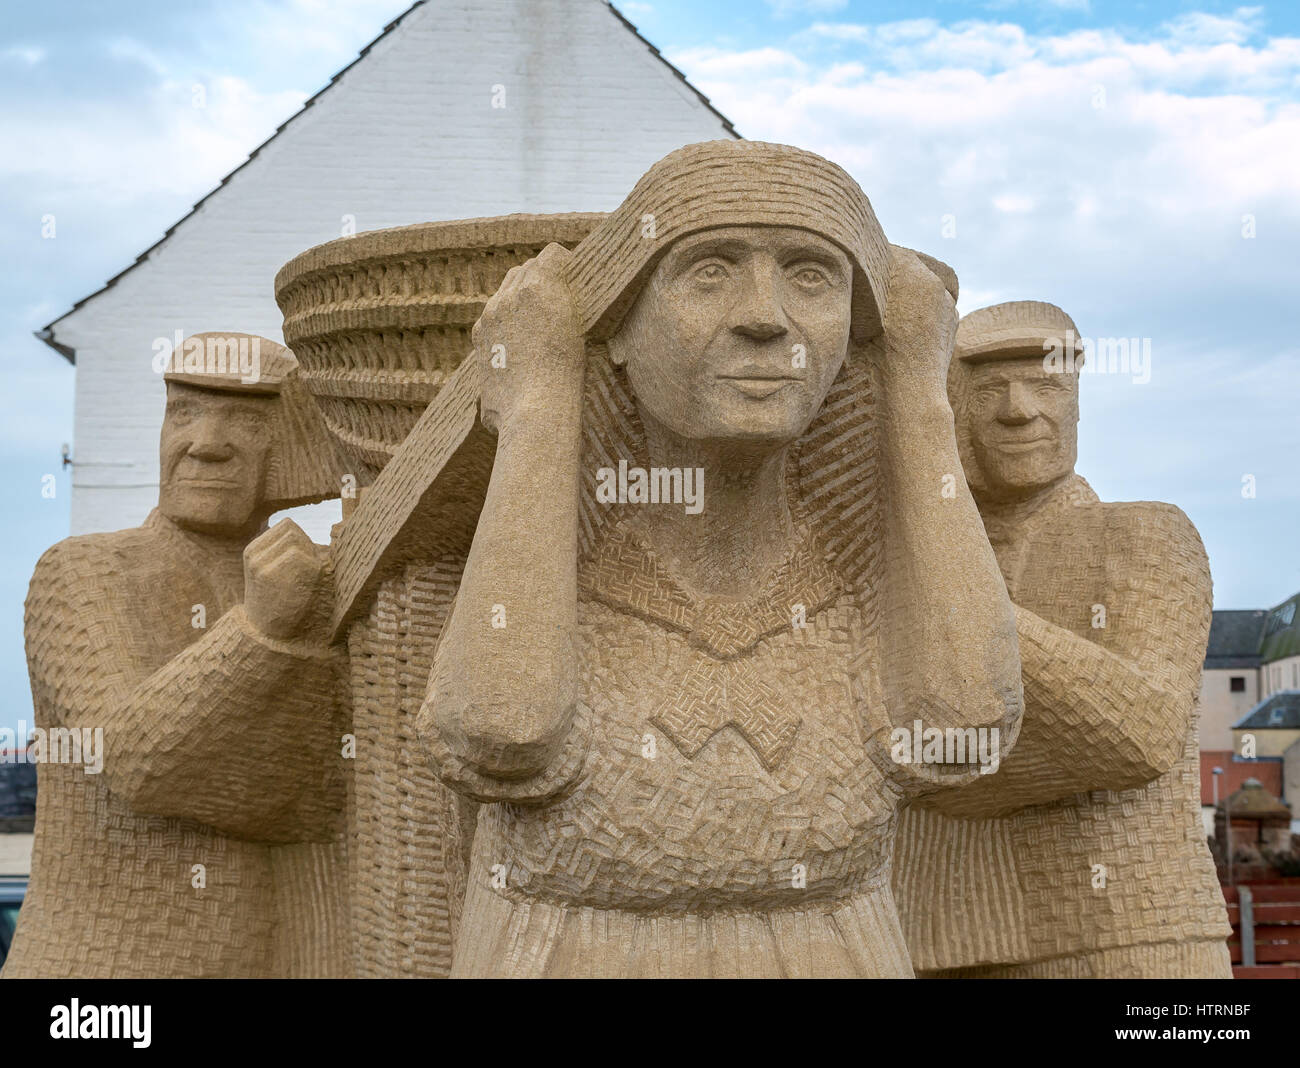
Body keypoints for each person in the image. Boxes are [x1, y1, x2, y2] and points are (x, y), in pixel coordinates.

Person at [419, 140, 1025, 978]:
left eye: (812, 276)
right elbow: (500, 731)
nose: (764, 317)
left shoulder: (856, 593)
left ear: (853, 341)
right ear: (621, 330)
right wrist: (539, 399)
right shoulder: (563, 591)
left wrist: (918, 393)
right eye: (709, 272)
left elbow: (967, 726)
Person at [893, 301, 1232, 978]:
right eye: (990, 390)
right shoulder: (899, 561)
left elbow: (1139, 732)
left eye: (1046, 386)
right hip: (932, 936)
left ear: (1076, 403)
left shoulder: (1144, 535)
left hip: (1125, 933)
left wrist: (955, 597)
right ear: (949, 415)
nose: (1019, 411)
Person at [3, 336, 348, 978]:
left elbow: (335, 791)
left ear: (292, 445)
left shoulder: (320, 594)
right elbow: (133, 758)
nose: (206, 442)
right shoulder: (82, 572)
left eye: (246, 419)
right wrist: (257, 630)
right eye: (183, 412)